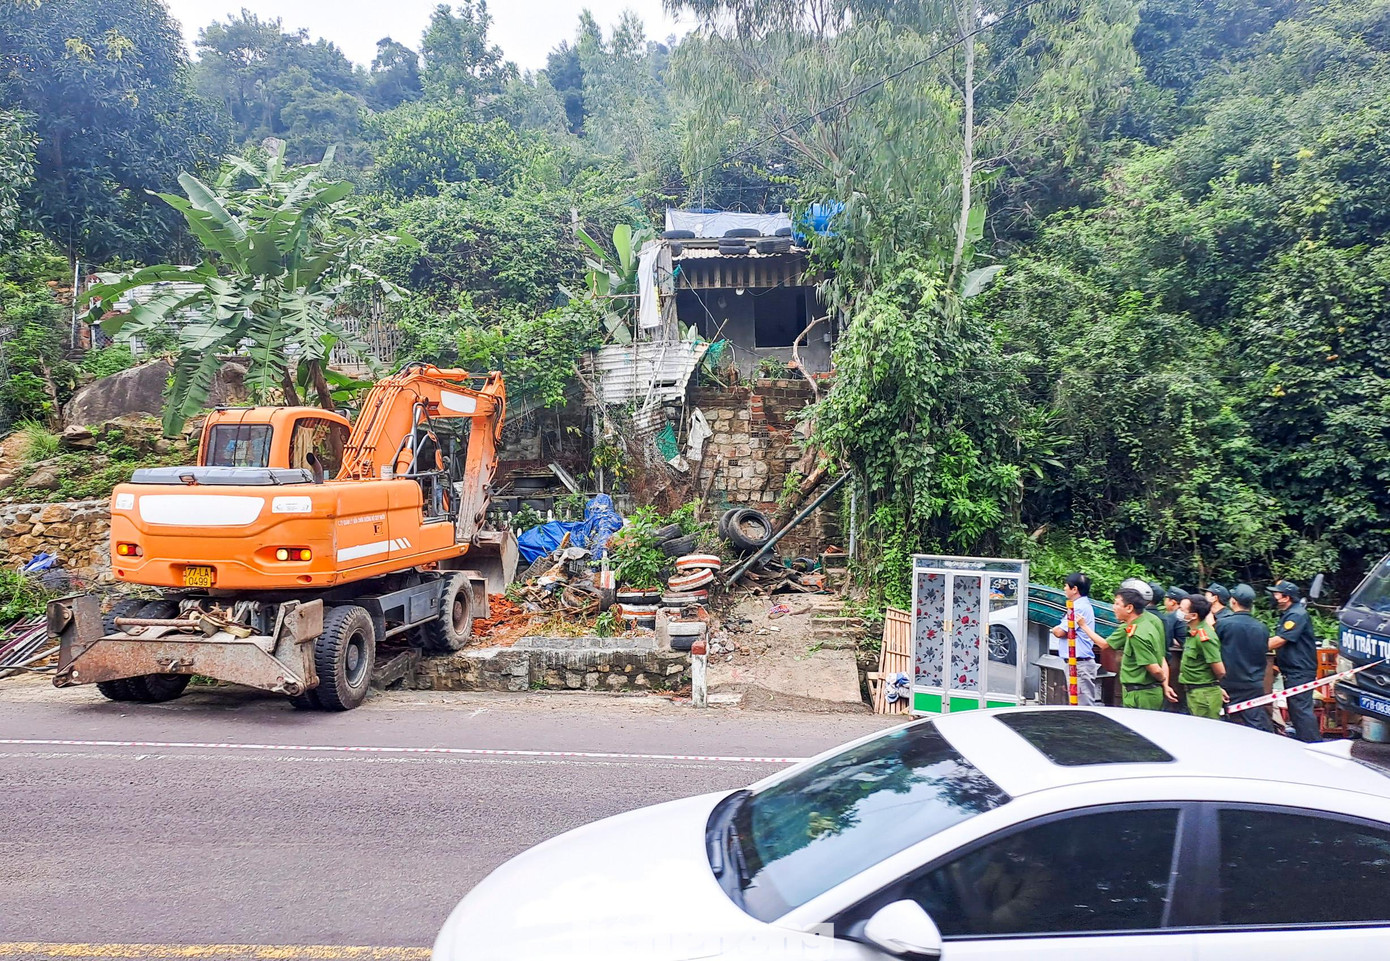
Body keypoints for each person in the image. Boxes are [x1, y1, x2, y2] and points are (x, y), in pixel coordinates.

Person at [1080, 586, 1174, 710]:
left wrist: (1162, 680)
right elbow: (1161, 658)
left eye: (1117, 603)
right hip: (1142, 692)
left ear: (1129, 608)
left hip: (1141, 695)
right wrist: (1164, 684)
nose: (1113, 607)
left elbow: (1155, 669)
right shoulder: (1149, 622)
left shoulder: (1137, 633)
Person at [1268, 580, 1321, 743]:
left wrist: (1253, 647)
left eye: (1277, 593)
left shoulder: (1296, 615)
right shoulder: (1290, 613)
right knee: (1295, 708)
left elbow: (1281, 640)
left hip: (1300, 670)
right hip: (1292, 670)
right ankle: (1302, 740)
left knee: (1301, 709)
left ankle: (1313, 744)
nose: (1274, 596)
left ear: (1286, 597)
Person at [1218, 584, 1275, 733]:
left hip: (1227, 683)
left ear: (1233, 602)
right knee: (1255, 722)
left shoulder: (1223, 624)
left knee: (1222, 722)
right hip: (1253, 683)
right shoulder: (1262, 627)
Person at [1050, 572, 1101, 706]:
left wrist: (1055, 629)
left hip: (1080, 664)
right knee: (1077, 705)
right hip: (1076, 664)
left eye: (1066, 586)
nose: (1064, 589)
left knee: (1083, 707)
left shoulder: (1079, 607)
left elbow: (1060, 632)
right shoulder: (1077, 605)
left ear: (1074, 589)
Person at [1177, 594, 1225, 718]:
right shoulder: (1192, 632)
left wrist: (1214, 686)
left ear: (1194, 616)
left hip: (1204, 694)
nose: (1179, 612)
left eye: (1182, 610)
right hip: (1194, 692)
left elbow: (1220, 670)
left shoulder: (1204, 637)